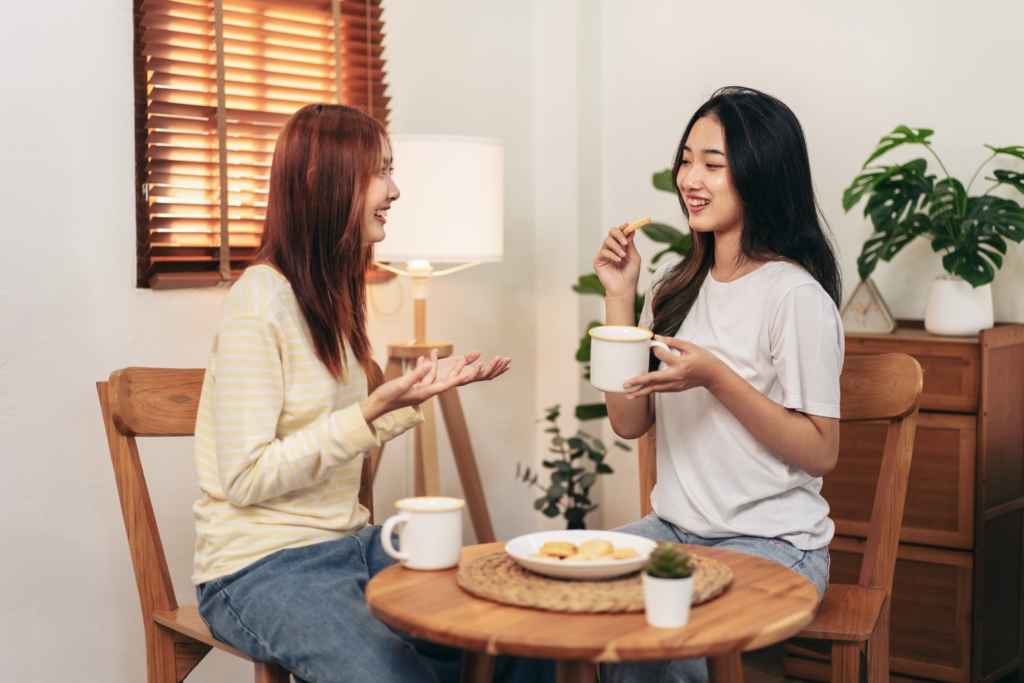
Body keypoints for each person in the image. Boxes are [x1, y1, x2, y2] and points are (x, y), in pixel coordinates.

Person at [190, 103, 512, 683]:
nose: (395, 190)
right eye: (381, 172)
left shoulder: (329, 295)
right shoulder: (258, 304)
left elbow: (338, 428)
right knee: (388, 674)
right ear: (322, 182)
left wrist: (406, 400)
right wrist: (370, 410)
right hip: (258, 567)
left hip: (353, 545)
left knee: (506, 634)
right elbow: (243, 478)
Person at [594, 87, 844, 683]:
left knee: (667, 645)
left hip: (775, 544)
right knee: (562, 615)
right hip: (674, 531)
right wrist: (619, 297)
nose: (690, 179)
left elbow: (820, 451)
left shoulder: (794, 295)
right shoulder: (673, 286)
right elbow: (629, 422)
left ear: (760, 174)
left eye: (713, 163)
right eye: (685, 160)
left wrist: (715, 378)